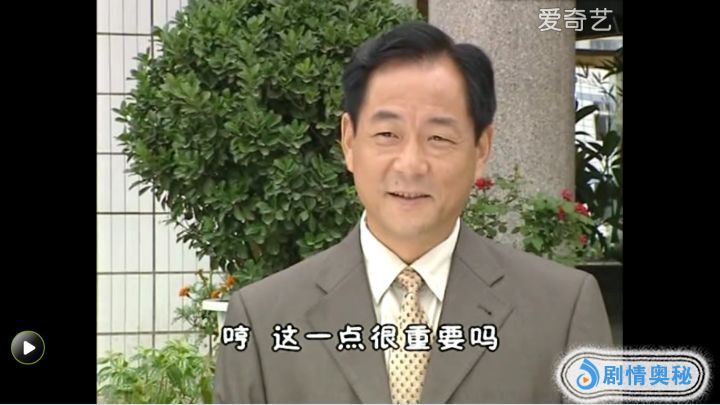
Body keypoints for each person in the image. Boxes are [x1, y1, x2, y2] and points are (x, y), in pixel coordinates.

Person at [214, 21, 613, 404]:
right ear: (349, 141)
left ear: (481, 149)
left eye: (438, 137)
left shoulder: (563, 311)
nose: (410, 165)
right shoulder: (262, 320)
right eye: (387, 134)